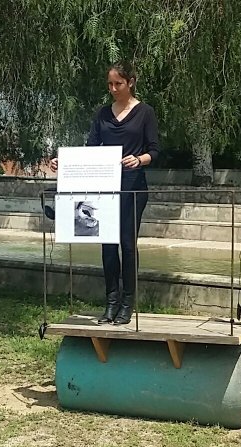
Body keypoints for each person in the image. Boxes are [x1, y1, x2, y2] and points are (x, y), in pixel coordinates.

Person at [50, 61, 160, 324]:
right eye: (110, 84)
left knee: (127, 244)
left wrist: (140, 159)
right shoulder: (102, 114)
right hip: (105, 190)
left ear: (131, 82)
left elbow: (155, 150)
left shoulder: (145, 112)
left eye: (118, 84)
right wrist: (64, 162)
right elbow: (91, 149)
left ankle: (127, 303)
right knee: (107, 246)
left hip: (133, 187)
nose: (113, 89)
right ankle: (110, 302)